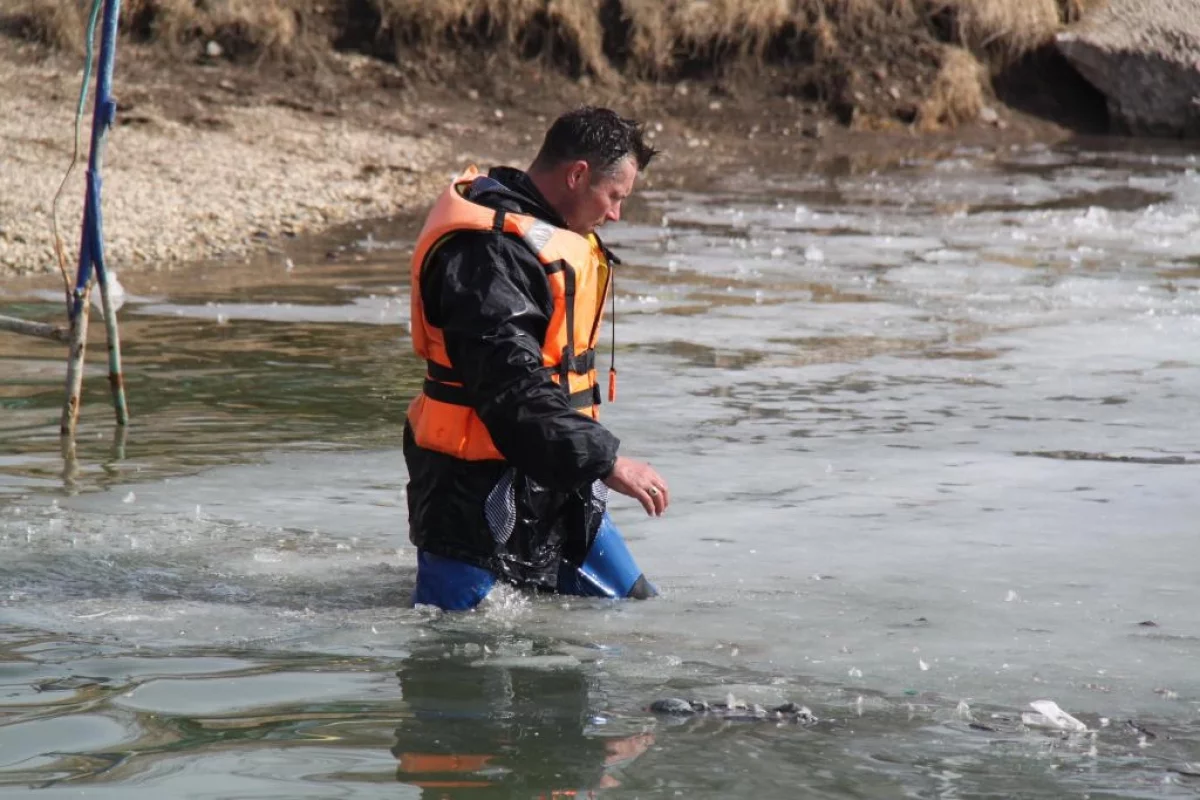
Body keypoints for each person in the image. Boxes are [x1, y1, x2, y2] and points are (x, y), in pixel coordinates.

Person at [404, 106, 669, 610]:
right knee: (453, 648)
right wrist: (606, 459)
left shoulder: (546, 228)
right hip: (472, 493)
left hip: (556, 481)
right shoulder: (487, 255)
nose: (615, 215)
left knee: (636, 609)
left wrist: (586, 462)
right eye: (615, 197)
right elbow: (509, 385)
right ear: (577, 175)